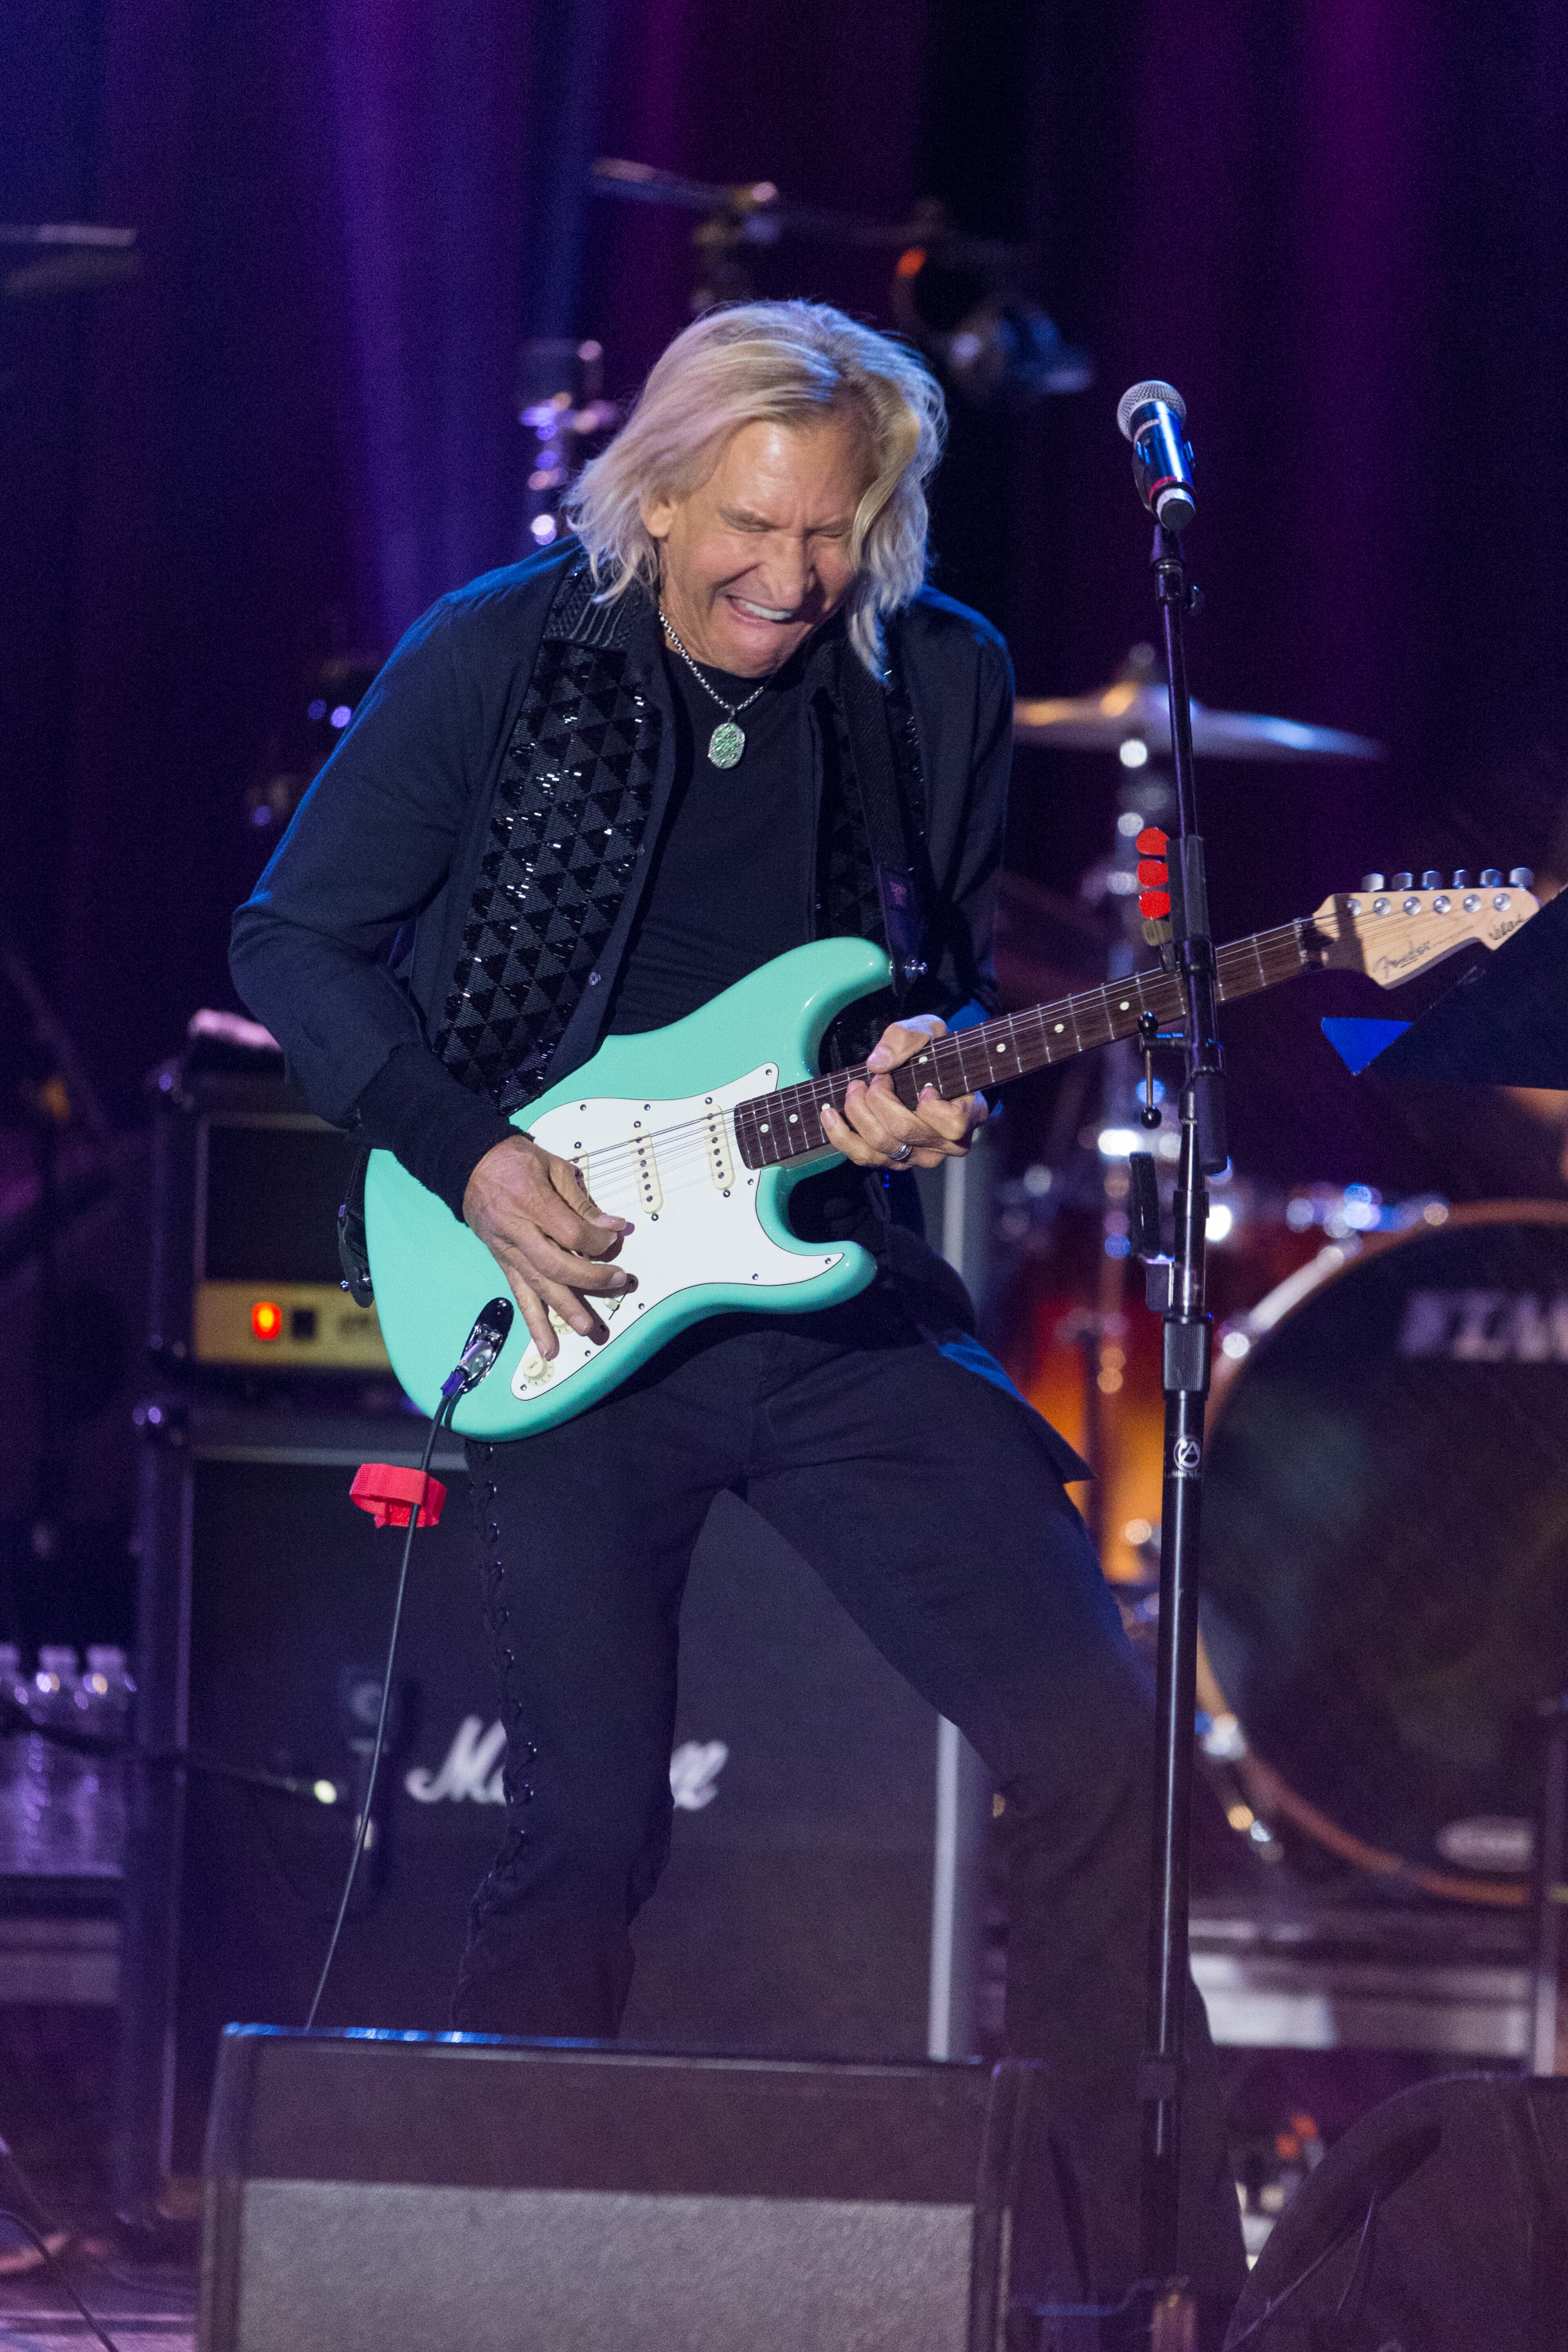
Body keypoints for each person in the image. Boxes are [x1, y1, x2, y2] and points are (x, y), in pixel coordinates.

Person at [230, 300, 1244, 2325]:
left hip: (821, 1287)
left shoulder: (932, 674)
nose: (787, 582)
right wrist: (475, 1156)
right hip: (557, 1289)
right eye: (749, 532)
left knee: (1098, 1743)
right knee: (585, 1827)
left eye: (832, 540)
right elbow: (295, 939)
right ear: (658, 487)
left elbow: (910, 978)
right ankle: (486, 2286)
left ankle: (1129, 2291)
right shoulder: (503, 657)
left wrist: (927, 1060)